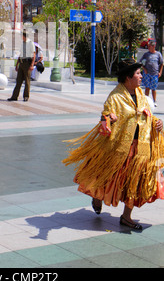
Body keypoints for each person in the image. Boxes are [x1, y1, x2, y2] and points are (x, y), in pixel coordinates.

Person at [63, 58, 164, 231]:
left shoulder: (140, 94)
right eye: (138, 73)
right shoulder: (115, 97)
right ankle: (97, 196)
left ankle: (126, 217)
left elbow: (144, 116)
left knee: (135, 182)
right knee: (107, 177)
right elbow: (105, 116)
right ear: (128, 77)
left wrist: (156, 122)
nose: (141, 76)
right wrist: (109, 119)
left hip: (140, 148)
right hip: (117, 149)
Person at [8, 31, 35, 102]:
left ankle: (26, 96)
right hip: (21, 63)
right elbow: (20, 54)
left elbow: (34, 54)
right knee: (18, 80)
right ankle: (14, 96)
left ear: (24, 36)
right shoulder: (22, 43)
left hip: (27, 63)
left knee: (27, 81)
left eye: (22, 36)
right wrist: (17, 64)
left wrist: (32, 64)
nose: (21, 37)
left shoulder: (30, 43)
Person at [140, 40, 163, 107]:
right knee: (147, 87)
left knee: (154, 88)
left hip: (155, 73)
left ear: (153, 46)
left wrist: (160, 72)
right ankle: (146, 100)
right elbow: (141, 62)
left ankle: (154, 101)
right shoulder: (146, 54)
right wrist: (144, 69)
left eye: (150, 46)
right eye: (148, 46)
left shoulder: (158, 54)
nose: (149, 47)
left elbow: (161, 63)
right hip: (147, 73)